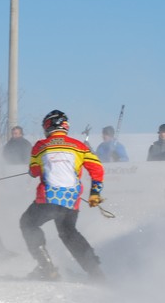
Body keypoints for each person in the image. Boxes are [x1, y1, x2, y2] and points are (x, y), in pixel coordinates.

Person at [20, 109, 104, 280]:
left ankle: (46, 267)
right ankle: (95, 272)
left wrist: (32, 170)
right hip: (70, 200)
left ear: (48, 125)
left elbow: (35, 171)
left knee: (28, 223)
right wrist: (95, 192)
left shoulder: (40, 146)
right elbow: (97, 168)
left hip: (48, 198)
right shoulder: (80, 146)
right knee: (69, 232)